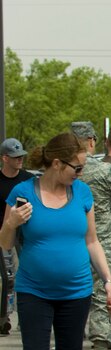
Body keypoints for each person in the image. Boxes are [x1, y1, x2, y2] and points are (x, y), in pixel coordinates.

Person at [0, 132, 111, 350]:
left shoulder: (81, 193)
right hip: (34, 292)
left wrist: (108, 280)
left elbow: (92, 241)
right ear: (57, 163)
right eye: (76, 167)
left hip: (76, 293)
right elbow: (6, 243)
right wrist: (11, 222)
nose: (80, 173)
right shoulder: (22, 193)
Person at [71, 121, 111, 350]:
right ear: (92, 141)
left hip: (70, 240)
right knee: (102, 293)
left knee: (71, 295)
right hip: (100, 239)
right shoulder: (104, 170)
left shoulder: (60, 170)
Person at [0, 138, 34, 335]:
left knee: (25, 276)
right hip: (4, 234)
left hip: (25, 236)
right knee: (5, 279)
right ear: (5, 158)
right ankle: (3, 318)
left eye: (21, 156)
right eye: (15, 157)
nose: (20, 159)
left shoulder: (28, 180)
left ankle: (25, 318)